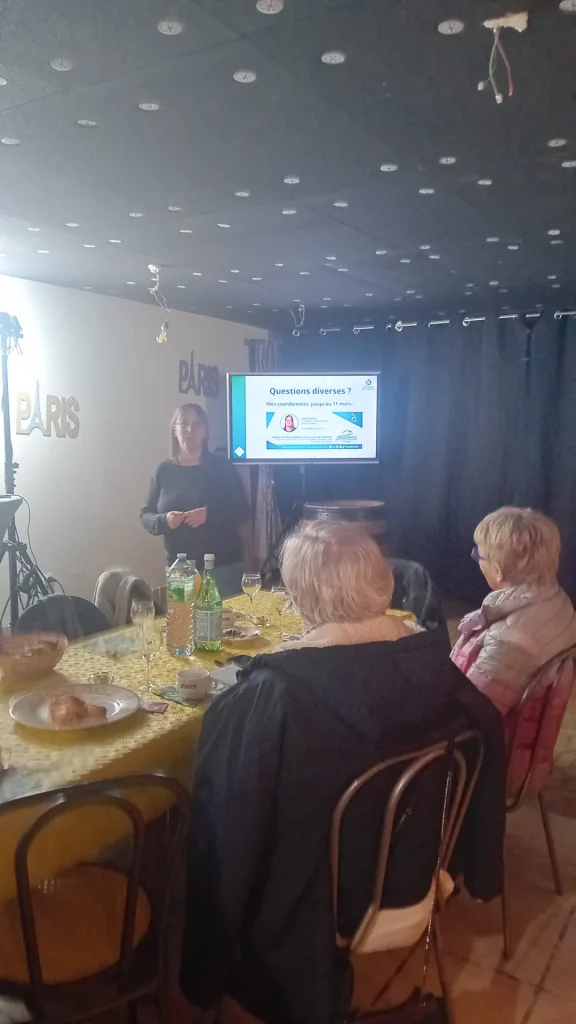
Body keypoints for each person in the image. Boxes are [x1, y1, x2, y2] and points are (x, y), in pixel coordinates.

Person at [180, 523, 506, 1024]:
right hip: (415, 865)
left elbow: (225, 823)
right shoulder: (434, 663)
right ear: (381, 583)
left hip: (318, 903)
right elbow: (486, 729)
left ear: (300, 599)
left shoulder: (279, 695)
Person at [452, 506, 576, 717]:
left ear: (498, 571)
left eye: (478, 557)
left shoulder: (510, 641)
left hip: (485, 744)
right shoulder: (559, 601)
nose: (477, 561)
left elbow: (471, 714)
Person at [139, 403, 251, 568]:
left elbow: (243, 511)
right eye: (183, 423)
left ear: (205, 432)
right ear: (174, 431)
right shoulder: (163, 471)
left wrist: (209, 515)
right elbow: (146, 514)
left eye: (197, 424)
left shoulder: (223, 467)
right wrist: (165, 520)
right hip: (179, 570)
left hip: (223, 567)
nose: (190, 429)